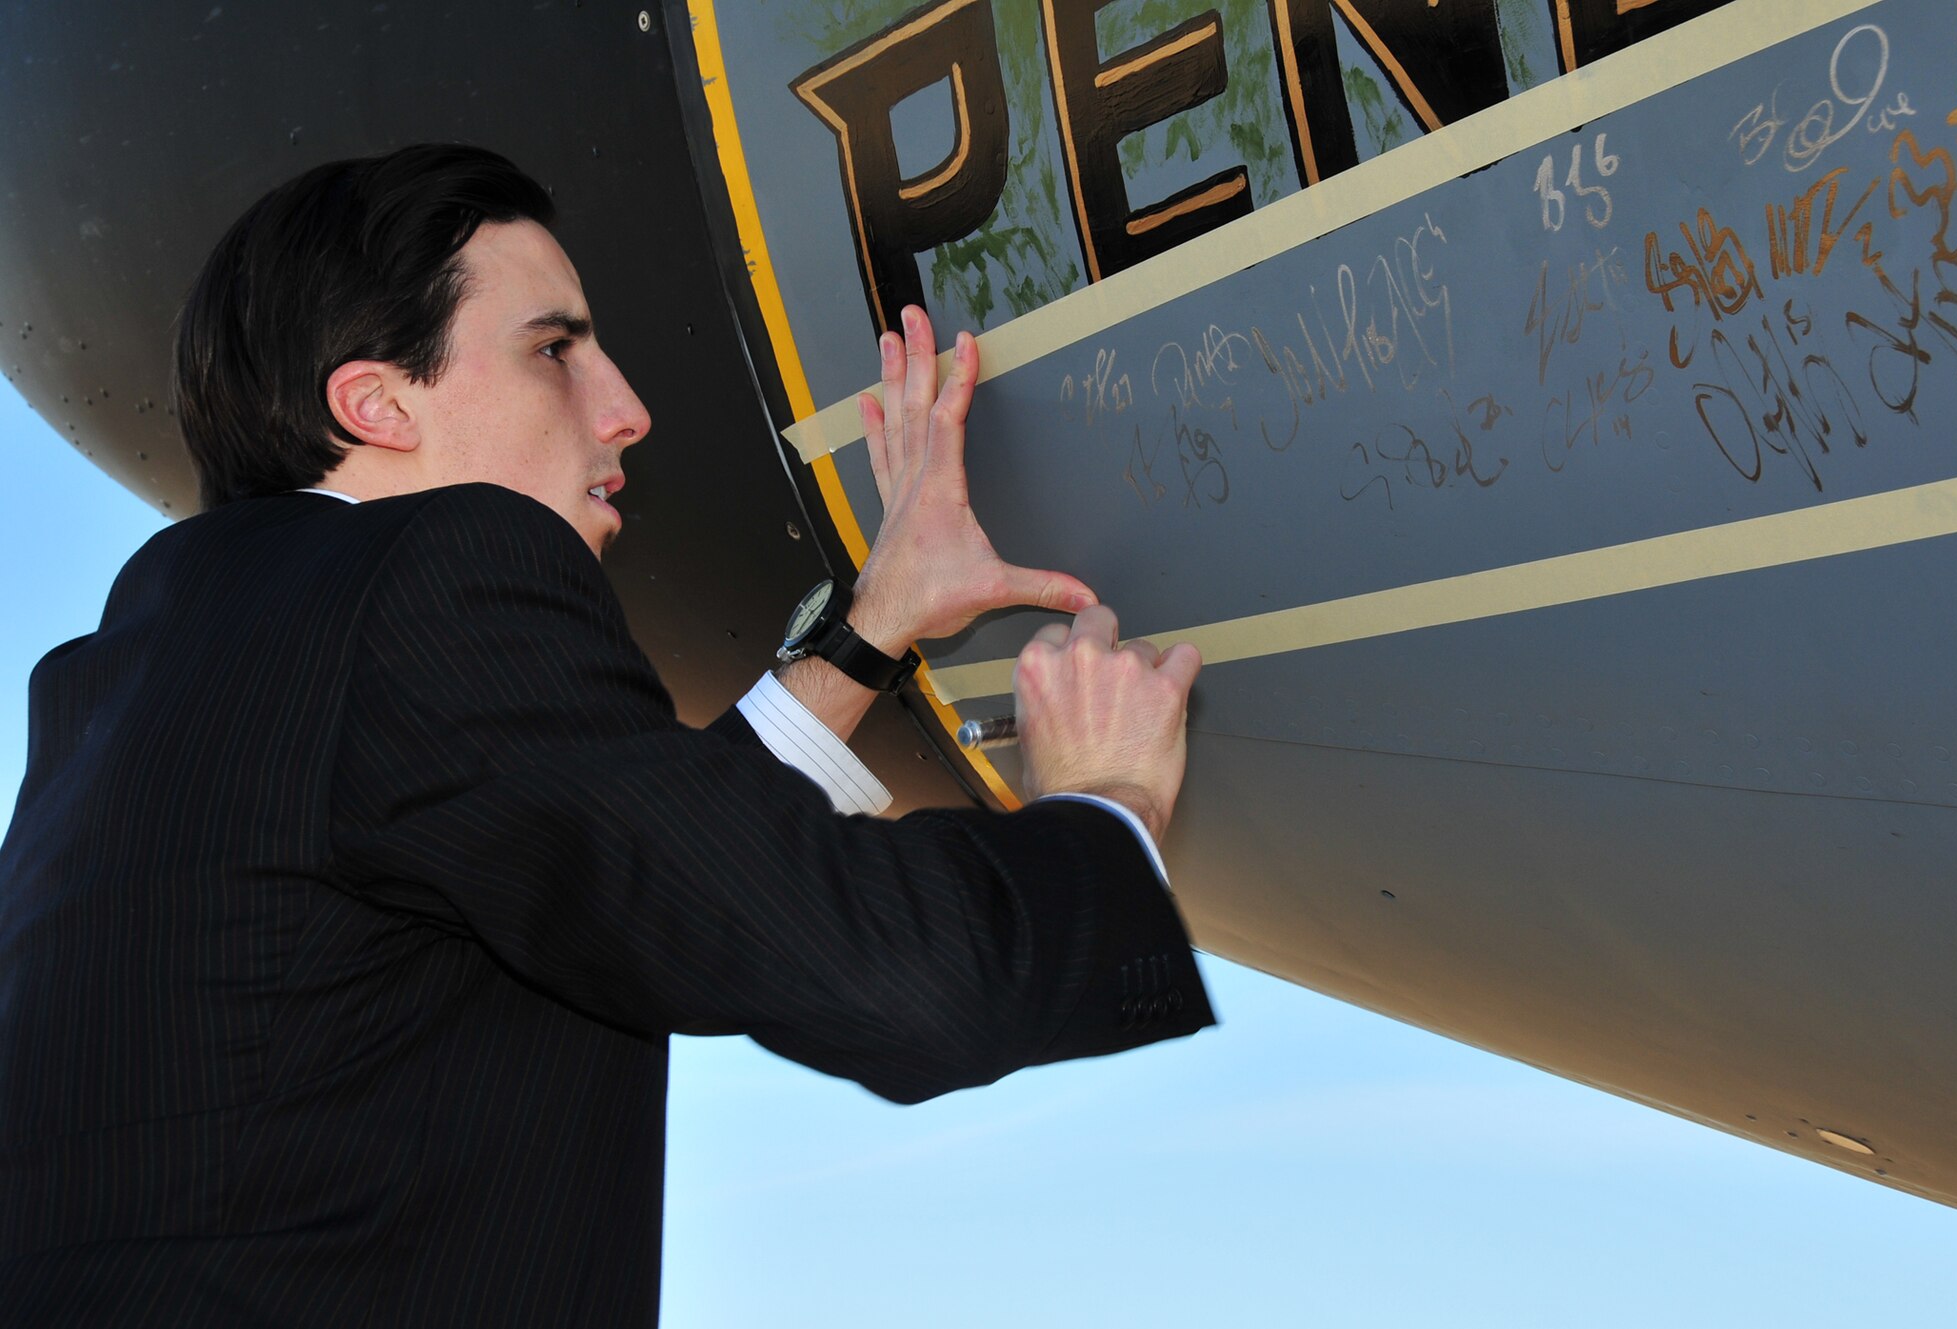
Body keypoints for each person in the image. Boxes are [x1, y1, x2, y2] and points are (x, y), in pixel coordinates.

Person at [0, 144, 1211, 1325]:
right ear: (375, 403)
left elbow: (636, 862)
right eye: (553, 352)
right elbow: (898, 982)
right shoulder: (441, 569)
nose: (626, 410)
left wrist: (871, 629)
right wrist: (1101, 808)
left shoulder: (129, 674)